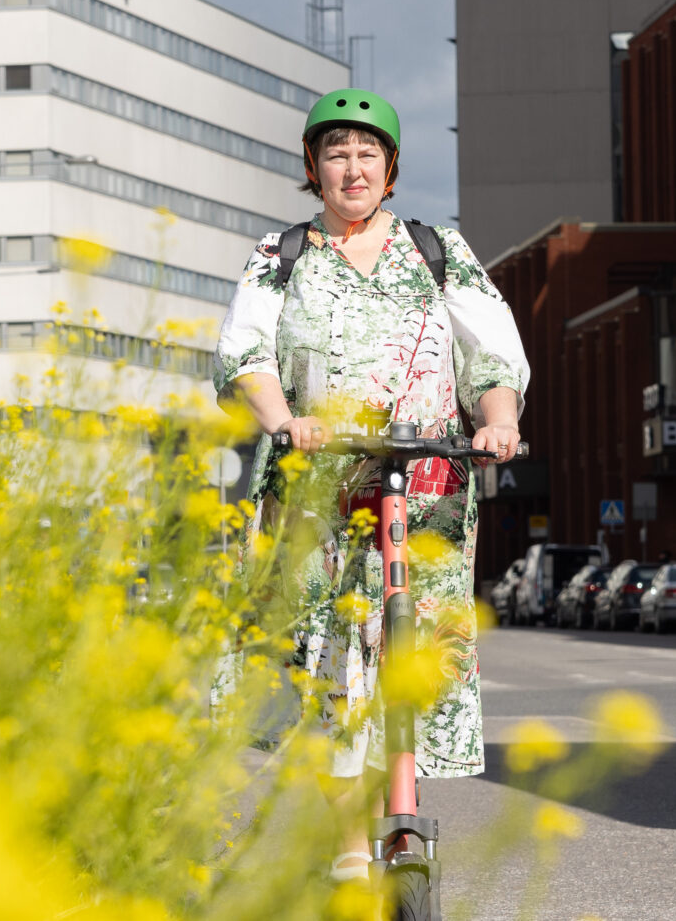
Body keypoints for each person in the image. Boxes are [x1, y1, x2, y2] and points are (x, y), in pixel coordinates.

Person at [213, 89, 530, 882]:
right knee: (330, 667)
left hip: (424, 488)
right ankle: (351, 838)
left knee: (415, 655)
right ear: (312, 168)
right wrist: (286, 419)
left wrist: (497, 420)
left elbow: (490, 353)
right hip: (316, 496)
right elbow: (242, 353)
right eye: (334, 154)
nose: (351, 168)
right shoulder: (281, 253)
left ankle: (401, 808)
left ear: (390, 170)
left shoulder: (436, 249)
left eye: (366, 154)